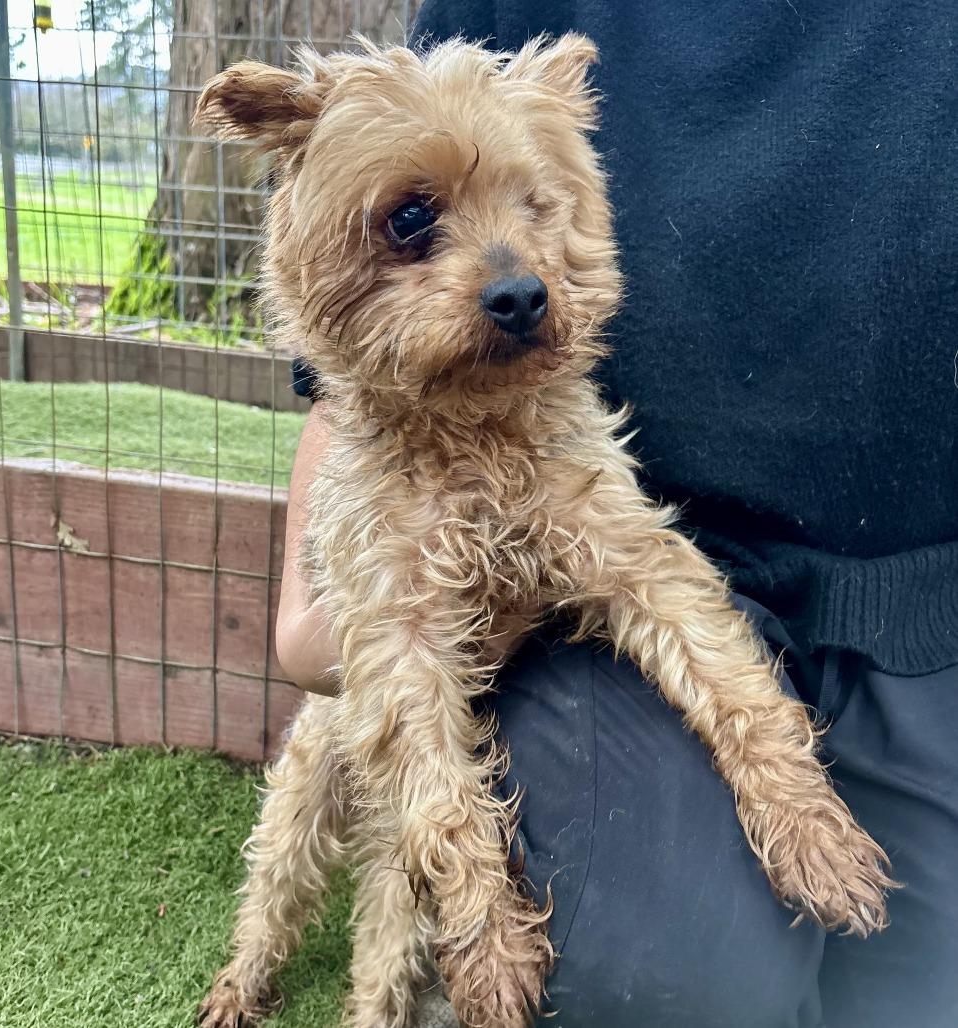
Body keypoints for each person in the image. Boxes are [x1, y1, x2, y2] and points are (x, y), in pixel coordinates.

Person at [276, 2, 958, 1025]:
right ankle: (465, 920)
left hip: (921, 592)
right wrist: (472, 900)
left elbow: (651, 584)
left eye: (531, 209)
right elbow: (387, 675)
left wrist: (780, 783)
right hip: (605, 648)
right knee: (659, 973)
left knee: (920, 984)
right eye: (415, 223)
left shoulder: (561, 437)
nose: (511, 278)